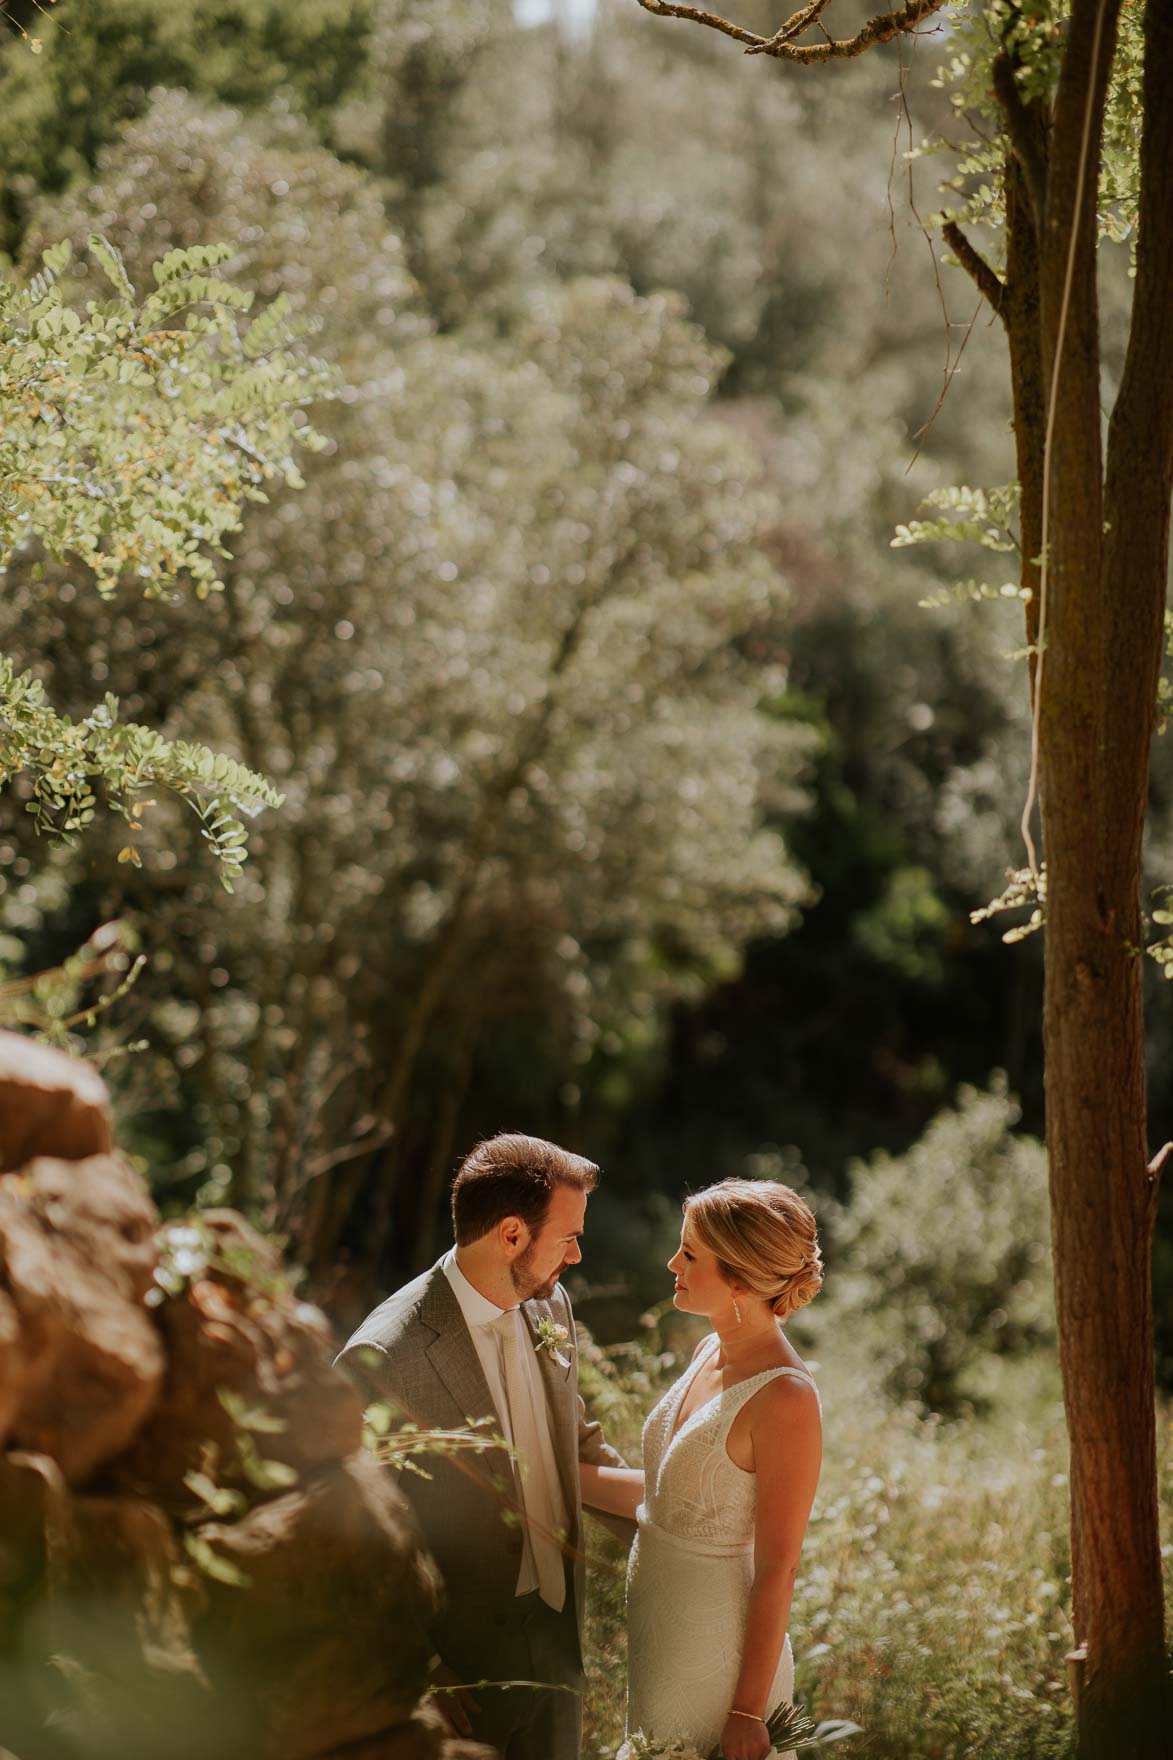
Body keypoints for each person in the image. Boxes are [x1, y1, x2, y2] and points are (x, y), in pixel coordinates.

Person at [335, 1132, 627, 1760]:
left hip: (557, 1645)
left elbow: (572, 1441)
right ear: (513, 1235)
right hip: (460, 1678)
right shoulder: (385, 1354)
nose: (577, 1255)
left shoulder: (551, 1302)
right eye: (568, 1237)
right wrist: (421, 1664)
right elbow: (351, 1532)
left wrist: (677, 1528)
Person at [580, 1177, 823, 1760]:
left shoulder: (786, 1399)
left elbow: (778, 1570)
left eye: (689, 1253)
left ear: (738, 1277)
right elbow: (669, 1498)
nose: (672, 1263)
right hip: (660, 1647)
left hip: (720, 1664)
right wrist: (545, 1470)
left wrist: (745, 1712)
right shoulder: (707, 1353)